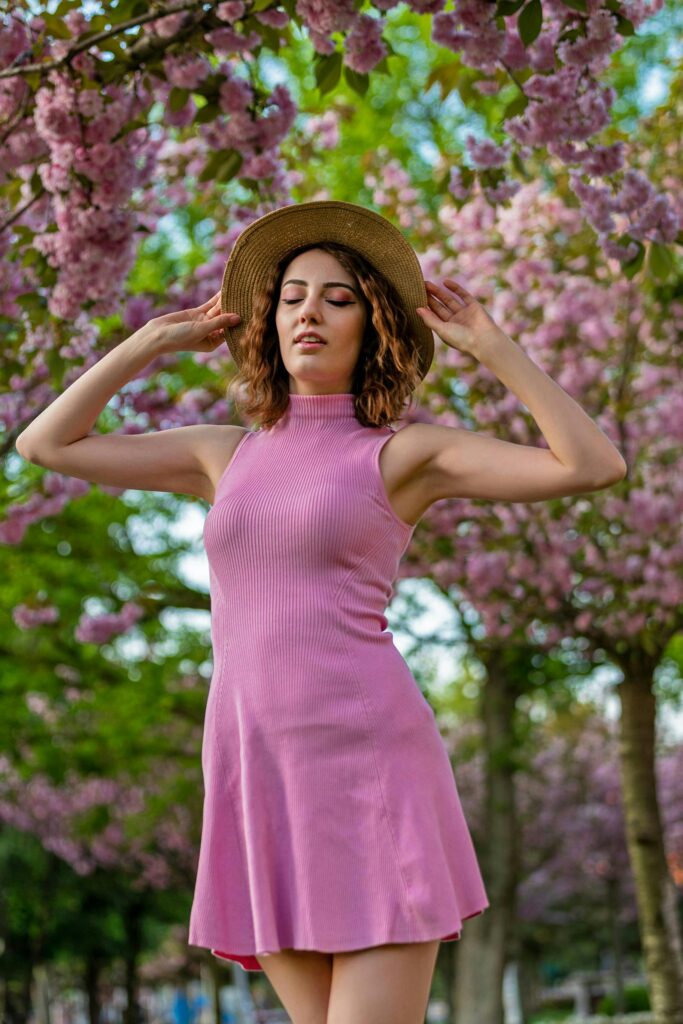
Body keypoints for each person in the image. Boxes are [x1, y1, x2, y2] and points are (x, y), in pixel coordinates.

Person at [16, 200, 626, 1024]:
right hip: (256, 770)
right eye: (292, 294)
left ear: (371, 324)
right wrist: (150, 343)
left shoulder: (405, 452)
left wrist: (494, 349)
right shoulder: (220, 453)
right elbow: (45, 444)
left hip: (369, 764)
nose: (308, 310)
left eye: (336, 297)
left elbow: (591, 465)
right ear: (267, 322)